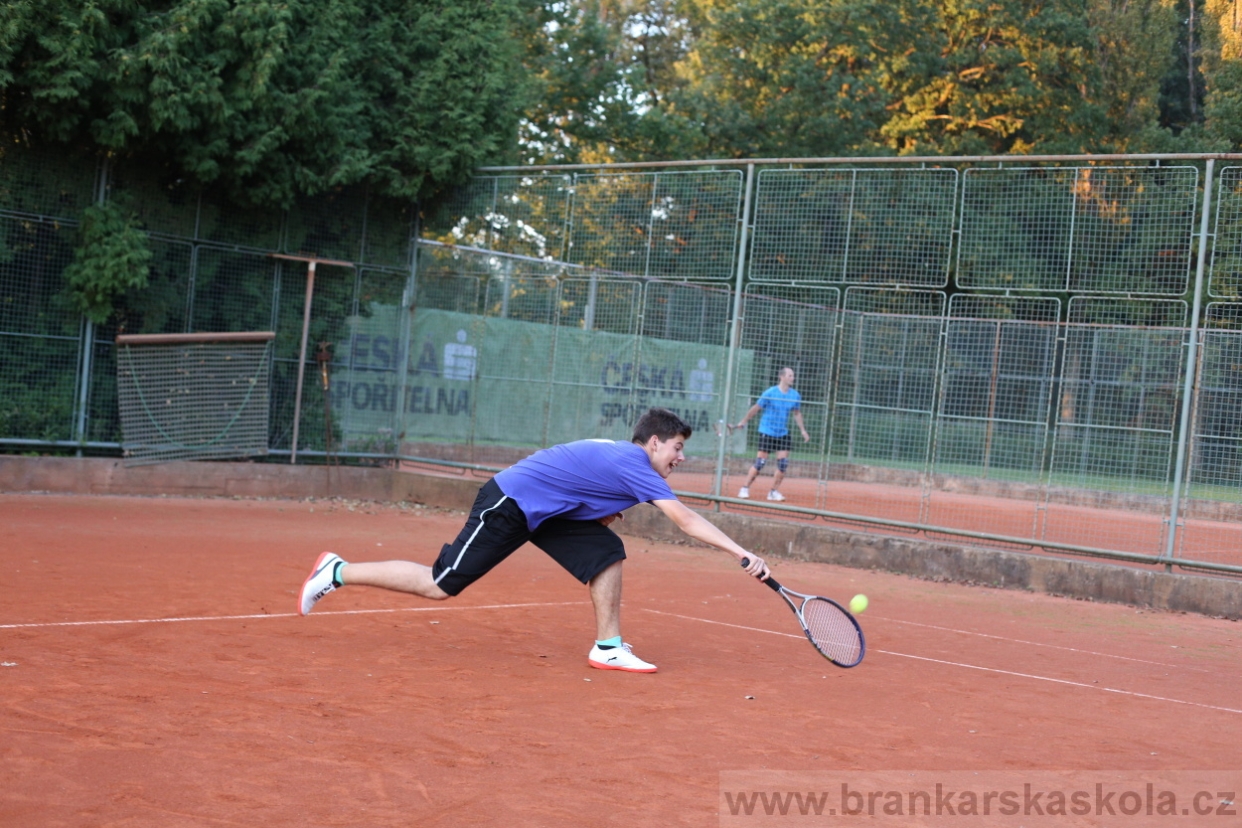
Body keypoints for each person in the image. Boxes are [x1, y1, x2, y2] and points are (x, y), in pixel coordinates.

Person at [298, 407, 770, 673]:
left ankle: (608, 646)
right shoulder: (633, 462)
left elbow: (574, 479)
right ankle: (337, 570)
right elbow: (684, 519)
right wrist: (741, 552)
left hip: (545, 512)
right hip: (509, 503)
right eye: (677, 447)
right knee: (440, 584)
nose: (680, 457)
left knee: (605, 551)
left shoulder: (624, 459)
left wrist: (599, 512)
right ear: (653, 443)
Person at [732, 367, 810, 501]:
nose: (793, 378)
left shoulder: (795, 395)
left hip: (782, 433)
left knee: (783, 464)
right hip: (767, 431)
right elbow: (756, 408)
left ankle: (773, 492)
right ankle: (744, 488)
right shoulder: (770, 392)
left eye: (793, 376)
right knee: (760, 462)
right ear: (782, 377)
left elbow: (797, 413)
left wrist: (803, 430)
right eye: (790, 376)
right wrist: (744, 421)